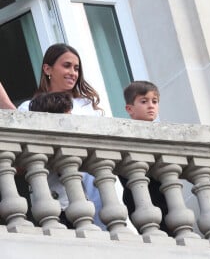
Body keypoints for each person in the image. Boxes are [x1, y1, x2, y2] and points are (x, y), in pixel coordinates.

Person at [18, 43, 105, 229]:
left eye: (76, 68)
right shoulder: (28, 108)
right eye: (66, 66)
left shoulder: (88, 107)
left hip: (97, 191)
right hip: (58, 200)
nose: (73, 72)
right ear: (47, 69)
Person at [120, 80, 172, 236]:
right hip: (139, 195)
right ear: (130, 109)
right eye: (144, 101)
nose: (151, 105)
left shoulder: (164, 134)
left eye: (154, 101)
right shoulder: (125, 135)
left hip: (163, 193)